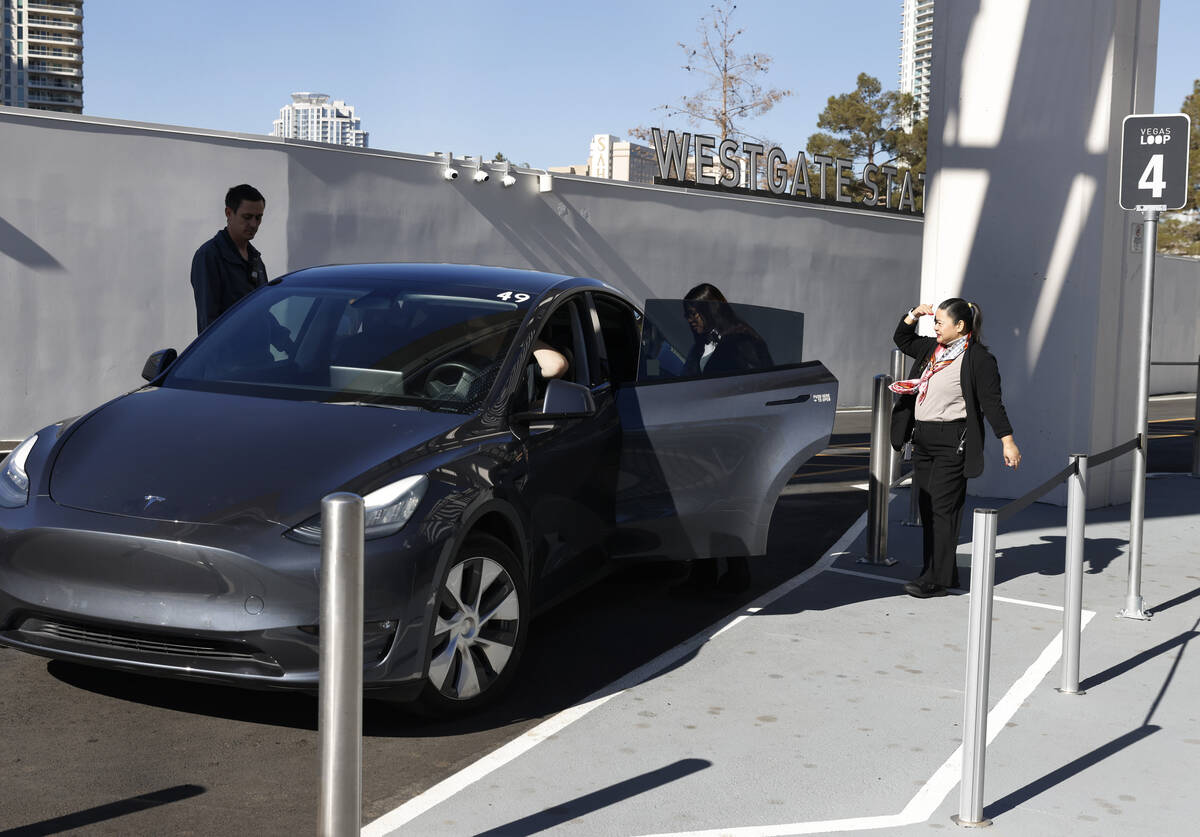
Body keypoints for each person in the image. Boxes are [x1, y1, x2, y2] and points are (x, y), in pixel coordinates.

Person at [890, 299, 1021, 598]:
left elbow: (992, 403)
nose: (935, 326)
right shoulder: (932, 350)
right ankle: (940, 572)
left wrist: (1007, 440)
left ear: (960, 326)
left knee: (943, 509)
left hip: (952, 441)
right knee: (927, 506)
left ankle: (934, 579)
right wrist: (913, 314)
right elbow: (903, 339)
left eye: (940, 322)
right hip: (923, 438)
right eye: (934, 321)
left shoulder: (979, 359)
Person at [191, 184, 268, 334]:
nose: (253, 224)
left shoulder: (256, 260)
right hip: (229, 355)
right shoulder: (209, 256)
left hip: (260, 354)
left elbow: (263, 312)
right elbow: (209, 322)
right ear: (228, 213)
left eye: (258, 218)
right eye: (247, 217)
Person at [681, 283, 773, 376]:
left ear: (710, 310)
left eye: (692, 314)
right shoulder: (697, 348)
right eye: (687, 315)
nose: (689, 320)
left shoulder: (743, 341)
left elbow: (758, 380)